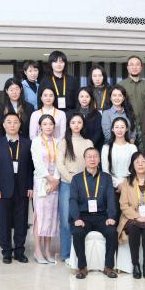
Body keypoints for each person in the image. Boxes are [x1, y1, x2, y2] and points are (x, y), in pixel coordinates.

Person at [69, 148, 119, 279]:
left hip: (102, 216)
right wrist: (76, 218)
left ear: (99, 159)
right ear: (84, 159)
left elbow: (111, 199)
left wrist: (111, 217)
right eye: (89, 157)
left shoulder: (106, 178)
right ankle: (82, 267)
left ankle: (109, 267)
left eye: (95, 156)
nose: (92, 159)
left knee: (112, 232)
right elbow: (73, 200)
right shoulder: (76, 179)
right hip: (83, 216)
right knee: (77, 232)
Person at [0, 113, 33, 264]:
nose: (12, 125)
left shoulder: (27, 143)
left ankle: (19, 251)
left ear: (20, 125)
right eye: (9, 122)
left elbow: (30, 168)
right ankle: (7, 252)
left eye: (15, 122)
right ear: (4, 125)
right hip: (3, 189)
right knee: (4, 222)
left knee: (21, 221)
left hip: (22, 188)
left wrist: (30, 186)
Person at [58, 111, 95, 262]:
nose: (76, 125)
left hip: (84, 185)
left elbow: (91, 162)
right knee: (66, 219)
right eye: (73, 122)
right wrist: (72, 179)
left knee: (82, 218)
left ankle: (79, 253)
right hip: (67, 184)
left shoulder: (88, 143)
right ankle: (66, 254)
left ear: (83, 124)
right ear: (69, 125)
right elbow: (59, 164)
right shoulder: (64, 142)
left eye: (79, 122)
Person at [30, 115, 61, 264]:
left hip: (55, 183)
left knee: (51, 218)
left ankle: (47, 250)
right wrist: (49, 178)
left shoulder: (58, 142)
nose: (48, 126)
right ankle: (37, 250)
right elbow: (37, 162)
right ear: (40, 126)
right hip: (42, 182)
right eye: (45, 124)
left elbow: (60, 162)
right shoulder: (36, 141)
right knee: (40, 217)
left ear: (54, 126)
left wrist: (56, 180)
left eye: (50, 124)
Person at [101, 117, 137, 188]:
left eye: (122, 127)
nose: (119, 130)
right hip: (111, 186)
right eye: (116, 127)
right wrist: (117, 184)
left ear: (126, 129)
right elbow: (105, 170)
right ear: (112, 129)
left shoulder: (132, 148)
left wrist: (126, 184)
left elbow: (135, 169)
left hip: (130, 185)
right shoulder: (106, 148)